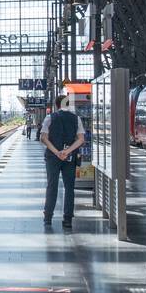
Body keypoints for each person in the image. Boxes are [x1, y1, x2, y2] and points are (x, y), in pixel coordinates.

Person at [40, 96, 85, 229]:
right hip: (69, 158)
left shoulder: (50, 118)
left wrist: (57, 152)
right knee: (69, 188)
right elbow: (81, 139)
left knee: (52, 186)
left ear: (57, 105)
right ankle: (68, 219)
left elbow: (43, 138)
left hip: (53, 157)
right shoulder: (76, 119)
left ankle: (48, 217)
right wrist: (67, 151)